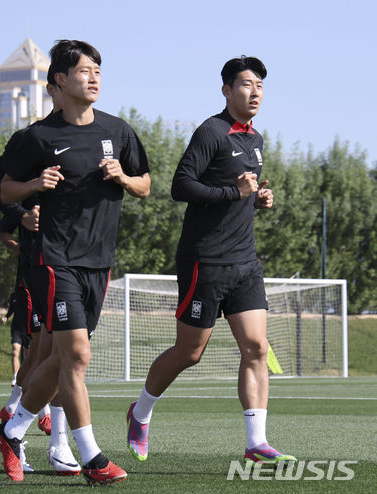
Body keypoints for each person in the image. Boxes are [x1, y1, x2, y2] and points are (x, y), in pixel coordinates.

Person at [0, 39, 151, 484]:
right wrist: (32, 186)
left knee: (63, 363)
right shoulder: (37, 137)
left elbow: (146, 184)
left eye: (98, 69)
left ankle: (12, 430)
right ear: (59, 80)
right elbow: (4, 189)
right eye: (84, 70)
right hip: (52, 256)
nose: (94, 77)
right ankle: (93, 459)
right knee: (77, 356)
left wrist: (124, 176)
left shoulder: (118, 131)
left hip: (97, 261)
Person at [126, 56, 295, 466]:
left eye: (259, 86)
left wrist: (257, 200)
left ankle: (256, 442)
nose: (254, 92)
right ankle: (140, 411)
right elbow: (180, 186)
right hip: (205, 261)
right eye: (246, 85)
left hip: (245, 263)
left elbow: (238, 192)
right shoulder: (211, 131)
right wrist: (234, 194)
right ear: (226, 90)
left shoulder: (254, 139)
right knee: (190, 352)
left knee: (255, 347)